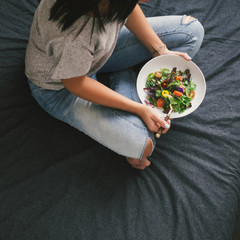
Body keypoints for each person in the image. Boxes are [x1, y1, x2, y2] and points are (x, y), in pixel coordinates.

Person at [25, 0, 204, 170]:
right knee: (143, 145)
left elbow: (126, 6)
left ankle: (127, 75)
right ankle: (124, 75)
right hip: (60, 87)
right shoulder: (73, 36)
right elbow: (76, 84)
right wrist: (140, 109)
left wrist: (160, 51)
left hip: (99, 53)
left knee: (192, 32)